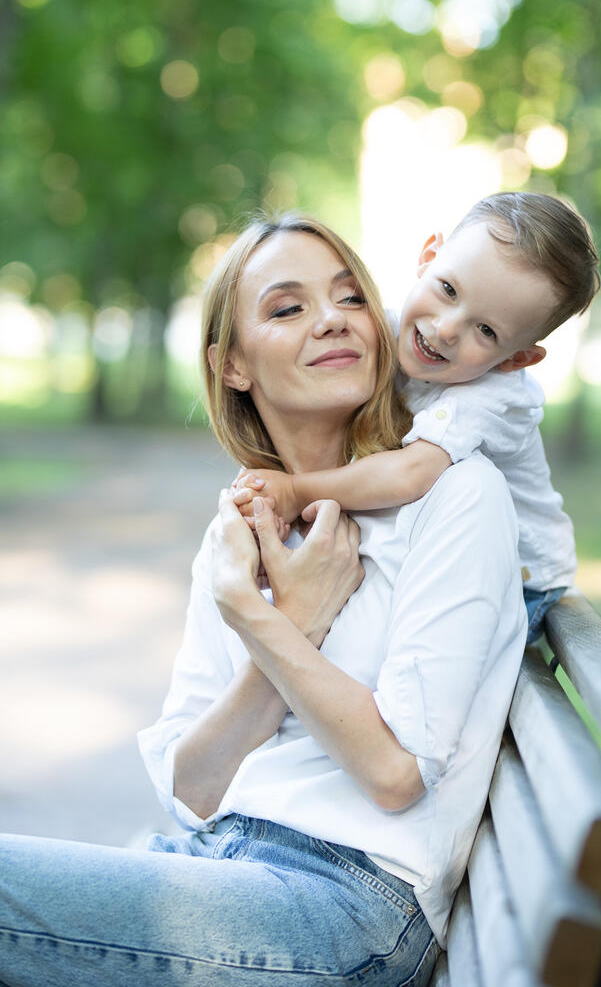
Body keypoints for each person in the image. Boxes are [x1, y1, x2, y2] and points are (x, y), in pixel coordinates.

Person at [0, 214, 526, 987]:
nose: (331, 320)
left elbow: (394, 773)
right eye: (287, 308)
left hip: (350, 902)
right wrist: (296, 622)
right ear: (233, 365)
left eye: (349, 298)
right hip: (215, 862)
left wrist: (259, 620)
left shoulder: (455, 496)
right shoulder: (241, 531)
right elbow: (193, 787)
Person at [230, 193, 601, 643]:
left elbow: (409, 474)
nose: (445, 329)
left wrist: (295, 492)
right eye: (448, 290)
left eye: (486, 330)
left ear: (517, 358)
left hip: (521, 578)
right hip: (440, 548)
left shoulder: (494, 395)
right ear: (429, 256)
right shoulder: (385, 329)